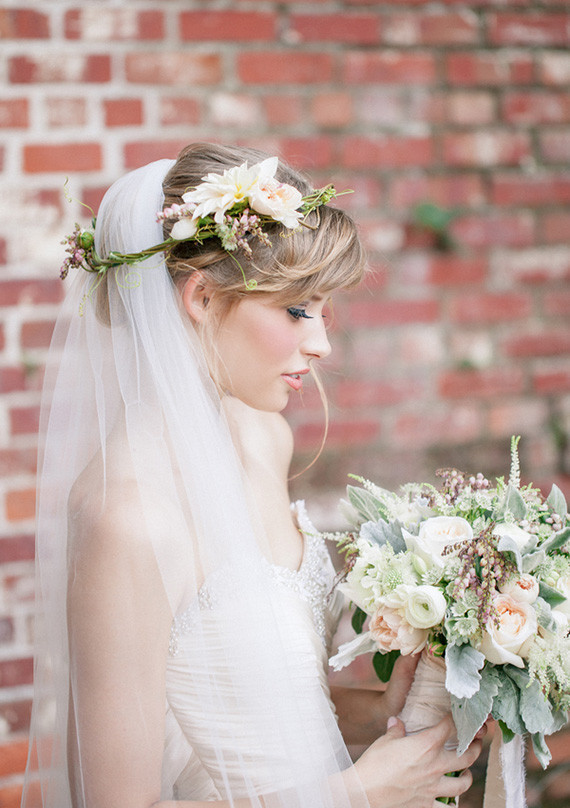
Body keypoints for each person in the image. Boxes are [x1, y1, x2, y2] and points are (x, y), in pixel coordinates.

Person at [22, 143, 482, 808]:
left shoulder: (266, 437)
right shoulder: (127, 519)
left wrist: (396, 705)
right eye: (298, 310)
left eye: (325, 312)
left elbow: (261, 699)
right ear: (202, 297)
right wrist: (356, 796)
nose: (322, 343)